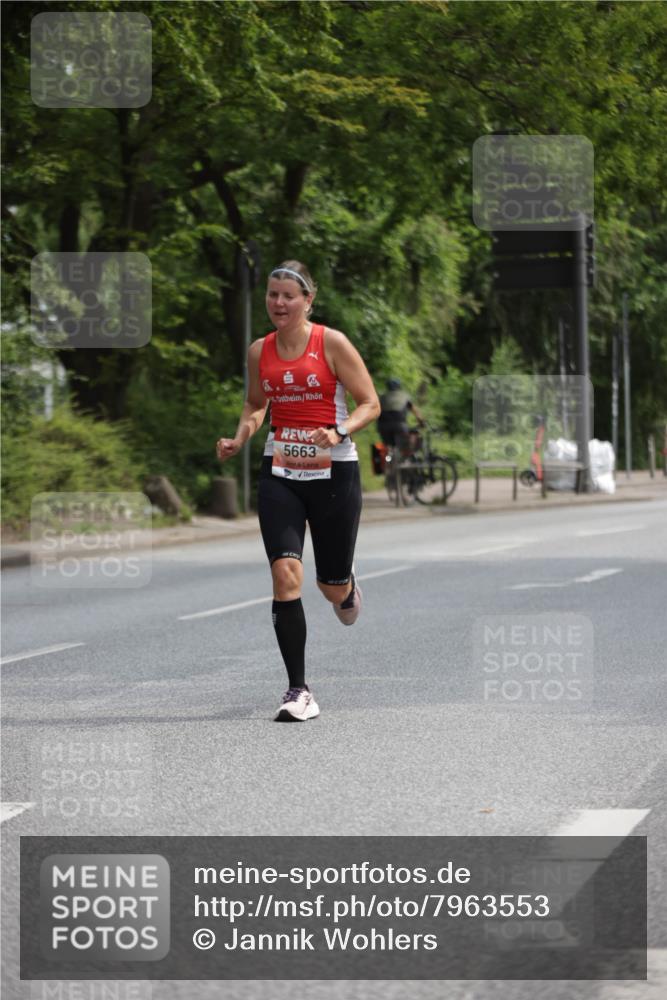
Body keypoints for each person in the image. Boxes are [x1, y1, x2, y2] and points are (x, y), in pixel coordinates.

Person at [216, 260, 381, 722]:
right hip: (281, 473)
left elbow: (371, 403)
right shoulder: (259, 351)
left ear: (308, 300)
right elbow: (255, 403)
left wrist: (340, 429)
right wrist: (241, 437)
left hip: (334, 474)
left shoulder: (331, 343)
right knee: (285, 575)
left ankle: (345, 585)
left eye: (288, 295)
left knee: (330, 590)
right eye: (272, 295)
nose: (279, 303)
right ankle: (298, 690)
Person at [377, 377, 425, 448]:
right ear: (399, 386)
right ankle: (405, 456)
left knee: (386, 446)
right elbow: (415, 410)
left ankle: (387, 455)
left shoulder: (382, 397)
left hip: (383, 426)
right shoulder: (404, 396)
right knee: (406, 446)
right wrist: (421, 421)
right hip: (400, 426)